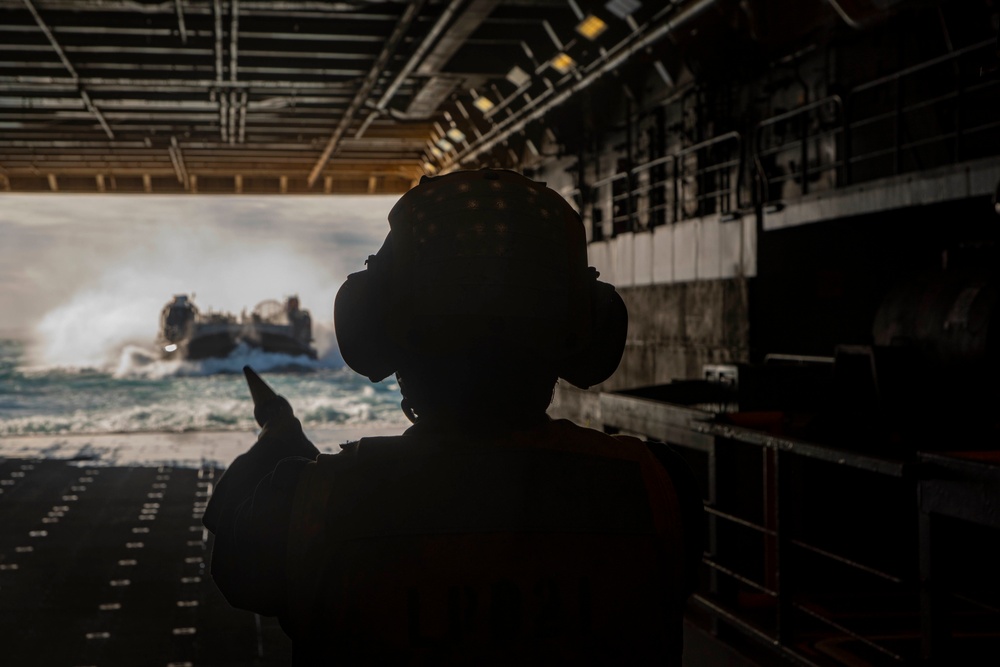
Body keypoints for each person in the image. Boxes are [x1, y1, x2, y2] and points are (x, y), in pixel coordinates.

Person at [203, 169, 704, 665]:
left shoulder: (308, 501)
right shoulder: (662, 490)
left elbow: (236, 562)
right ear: (584, 329)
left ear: (377, 329)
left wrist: (278, 434)